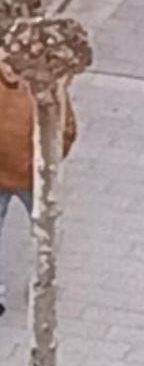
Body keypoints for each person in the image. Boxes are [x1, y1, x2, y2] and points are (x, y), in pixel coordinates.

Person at [0, 63, 76, 317]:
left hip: (19, 176)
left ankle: (28, 289)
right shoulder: (42, 87)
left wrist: (46, 162)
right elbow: (66, 130)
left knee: (39, 235)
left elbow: (66, 130)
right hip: (23, 176)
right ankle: (35, 287)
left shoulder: (40, 88)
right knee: (44, 233)